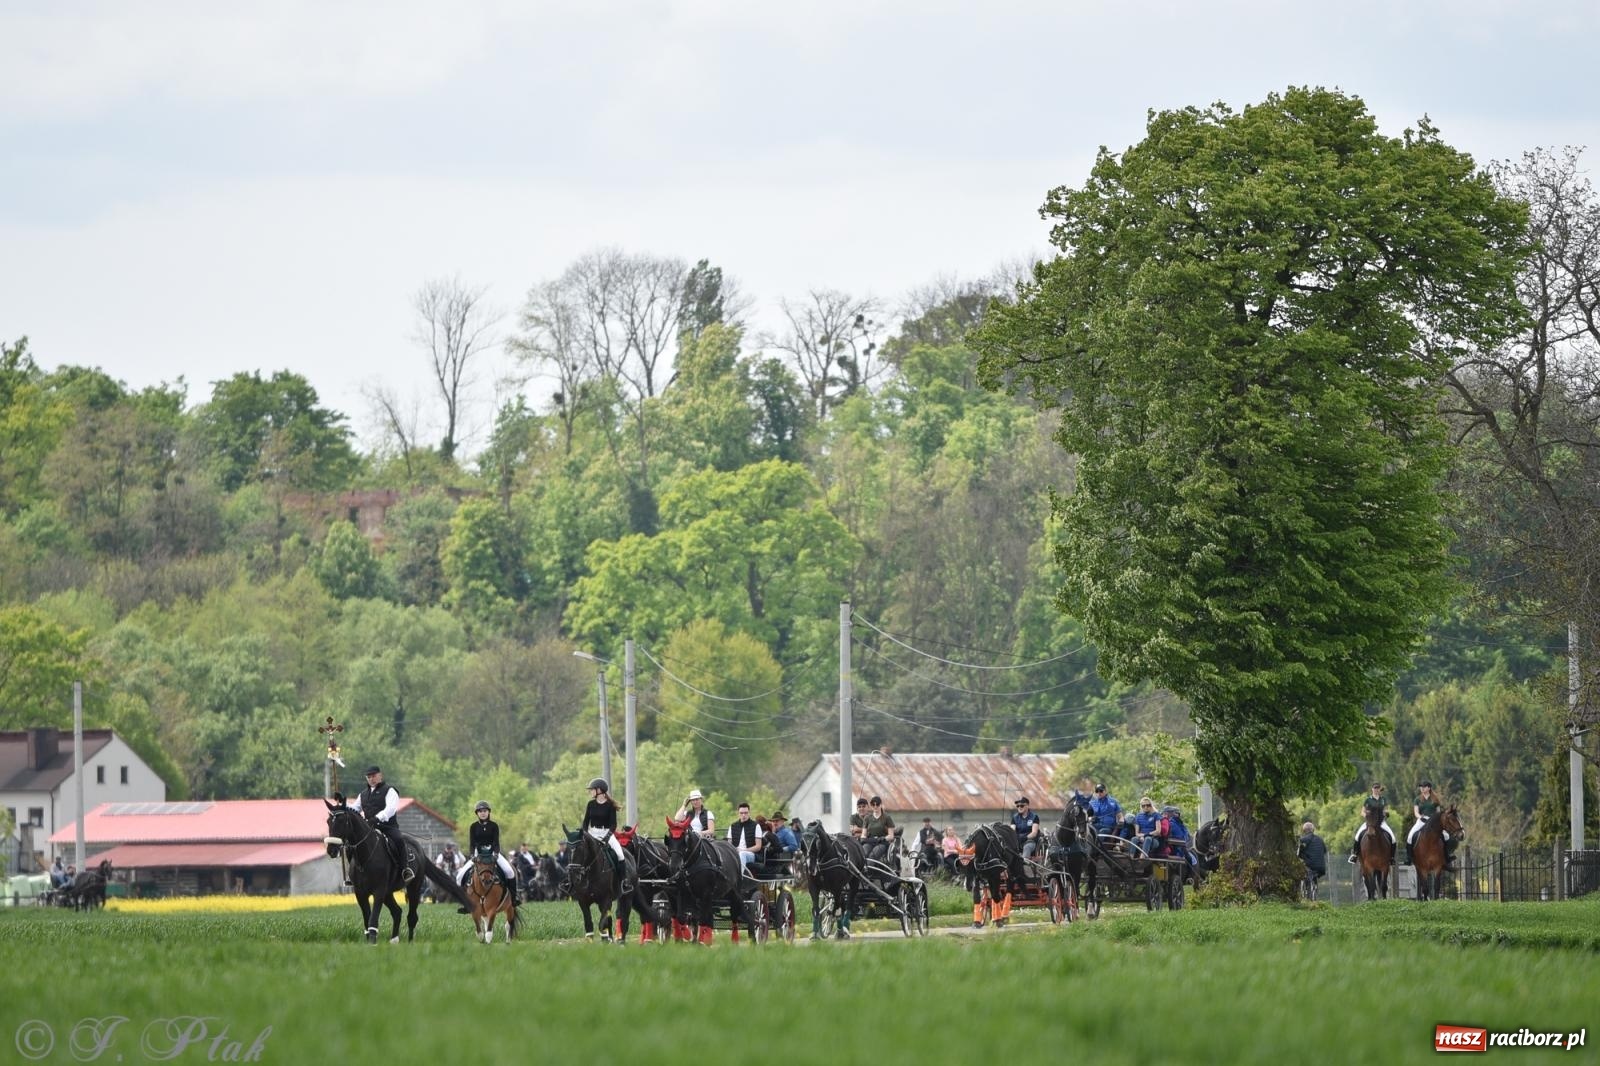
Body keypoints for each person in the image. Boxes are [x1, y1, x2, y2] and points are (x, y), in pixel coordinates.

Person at [352, 765, 414, 882]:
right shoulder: (363, 794)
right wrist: (341, 805)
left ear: (380, 775)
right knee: (352, 844)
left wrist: (377, 818)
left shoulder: (390, 790)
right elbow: (355, 808)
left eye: (373, 776)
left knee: (399, 839)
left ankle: (405, 869)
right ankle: (353, 873)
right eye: (368, 777)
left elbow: (390, 809)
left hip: (388, 827)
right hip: (369, 828)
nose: (371, 779)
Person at [462, 801, 519, 904]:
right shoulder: (473, 826)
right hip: (477, 854)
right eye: (480, 811)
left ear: (488, 812)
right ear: (477, 813)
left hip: (492, 852)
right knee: (459, 876)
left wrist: (496, 854)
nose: (483, 813)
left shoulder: (494, 826)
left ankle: (514, 899)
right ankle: (465, 902)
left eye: (485, 811)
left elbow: (496, 843)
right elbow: (472, 844)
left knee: (510, 872)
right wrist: (471, 855)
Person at [581, 778, 630, 890]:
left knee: (620, 854)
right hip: (592, 833)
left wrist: (607, 837)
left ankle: (624, 882)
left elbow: (613, 825)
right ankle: (575, 882)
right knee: (580, 852)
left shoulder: (610, 806)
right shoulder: (590, 804)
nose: (591, 792)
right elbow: (585, 822)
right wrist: (585, 834)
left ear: (599, 790)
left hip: (607, 833)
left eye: (592, 789)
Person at [1408, 781, 1457, 870]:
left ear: (1429, 788)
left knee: (1446, 836)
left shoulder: (1435, 799)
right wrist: (1420, 817)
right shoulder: (1417, 799)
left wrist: (1437, 820)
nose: (1422, 788)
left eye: (1424, 786)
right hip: (1421, 820)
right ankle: (1410, 858)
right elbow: (1416, 812)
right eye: (1421, 787)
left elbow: (1438, 812)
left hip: (1433, 822)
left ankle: (1447, 858)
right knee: (1410, 836)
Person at [1348, 783, 1395, 864]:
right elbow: (1362, 811)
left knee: (1393, 838)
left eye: (1378, 788)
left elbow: (1385, 809)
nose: (1376, 790)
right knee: (1357, 836)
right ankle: (1355, 855)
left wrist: (1386, 812)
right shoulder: (1368, 800)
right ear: (1372, 789)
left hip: (1381, 823)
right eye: (1375, 788)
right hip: (1370, 823)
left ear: (1379, 789)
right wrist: (1366, 815)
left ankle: (1391, 858)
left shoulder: (1383, 799)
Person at [728, 803, 765, 870]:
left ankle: (740, 877)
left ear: (749, 813)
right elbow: (729, 844)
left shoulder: (756, 826)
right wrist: (734, 851)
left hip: (751, 854)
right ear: (738, 813)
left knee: (742, 854)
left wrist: (743, 850)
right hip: (735, 853)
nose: (743, 815)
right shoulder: (732, 826)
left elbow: (758, 846)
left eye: (746, 813)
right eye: (741, 813)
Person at [862, 796, 896, 861]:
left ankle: (868, 870)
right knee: (863, 853)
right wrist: (863, 839)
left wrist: (882, 839)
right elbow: (863, 834)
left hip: (882, 842)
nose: (875, 806)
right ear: (871, 806)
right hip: (870, 841)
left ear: (881, 805)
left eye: (877, 804)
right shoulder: (867, 818)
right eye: (873, 805)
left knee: (873, 855)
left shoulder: (887, 817)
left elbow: (891, 836)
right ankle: (862, 870)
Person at [1297, 821, 1328, 890]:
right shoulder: (1320, 839)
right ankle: (1313, 888)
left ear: (1304, 831)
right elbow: (1324, 851)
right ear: (1313, 830)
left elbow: (1298, 853)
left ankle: (1306, 889)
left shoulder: (1303, 840)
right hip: (1321, 867)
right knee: (1313, 876)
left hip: (1310, 865)